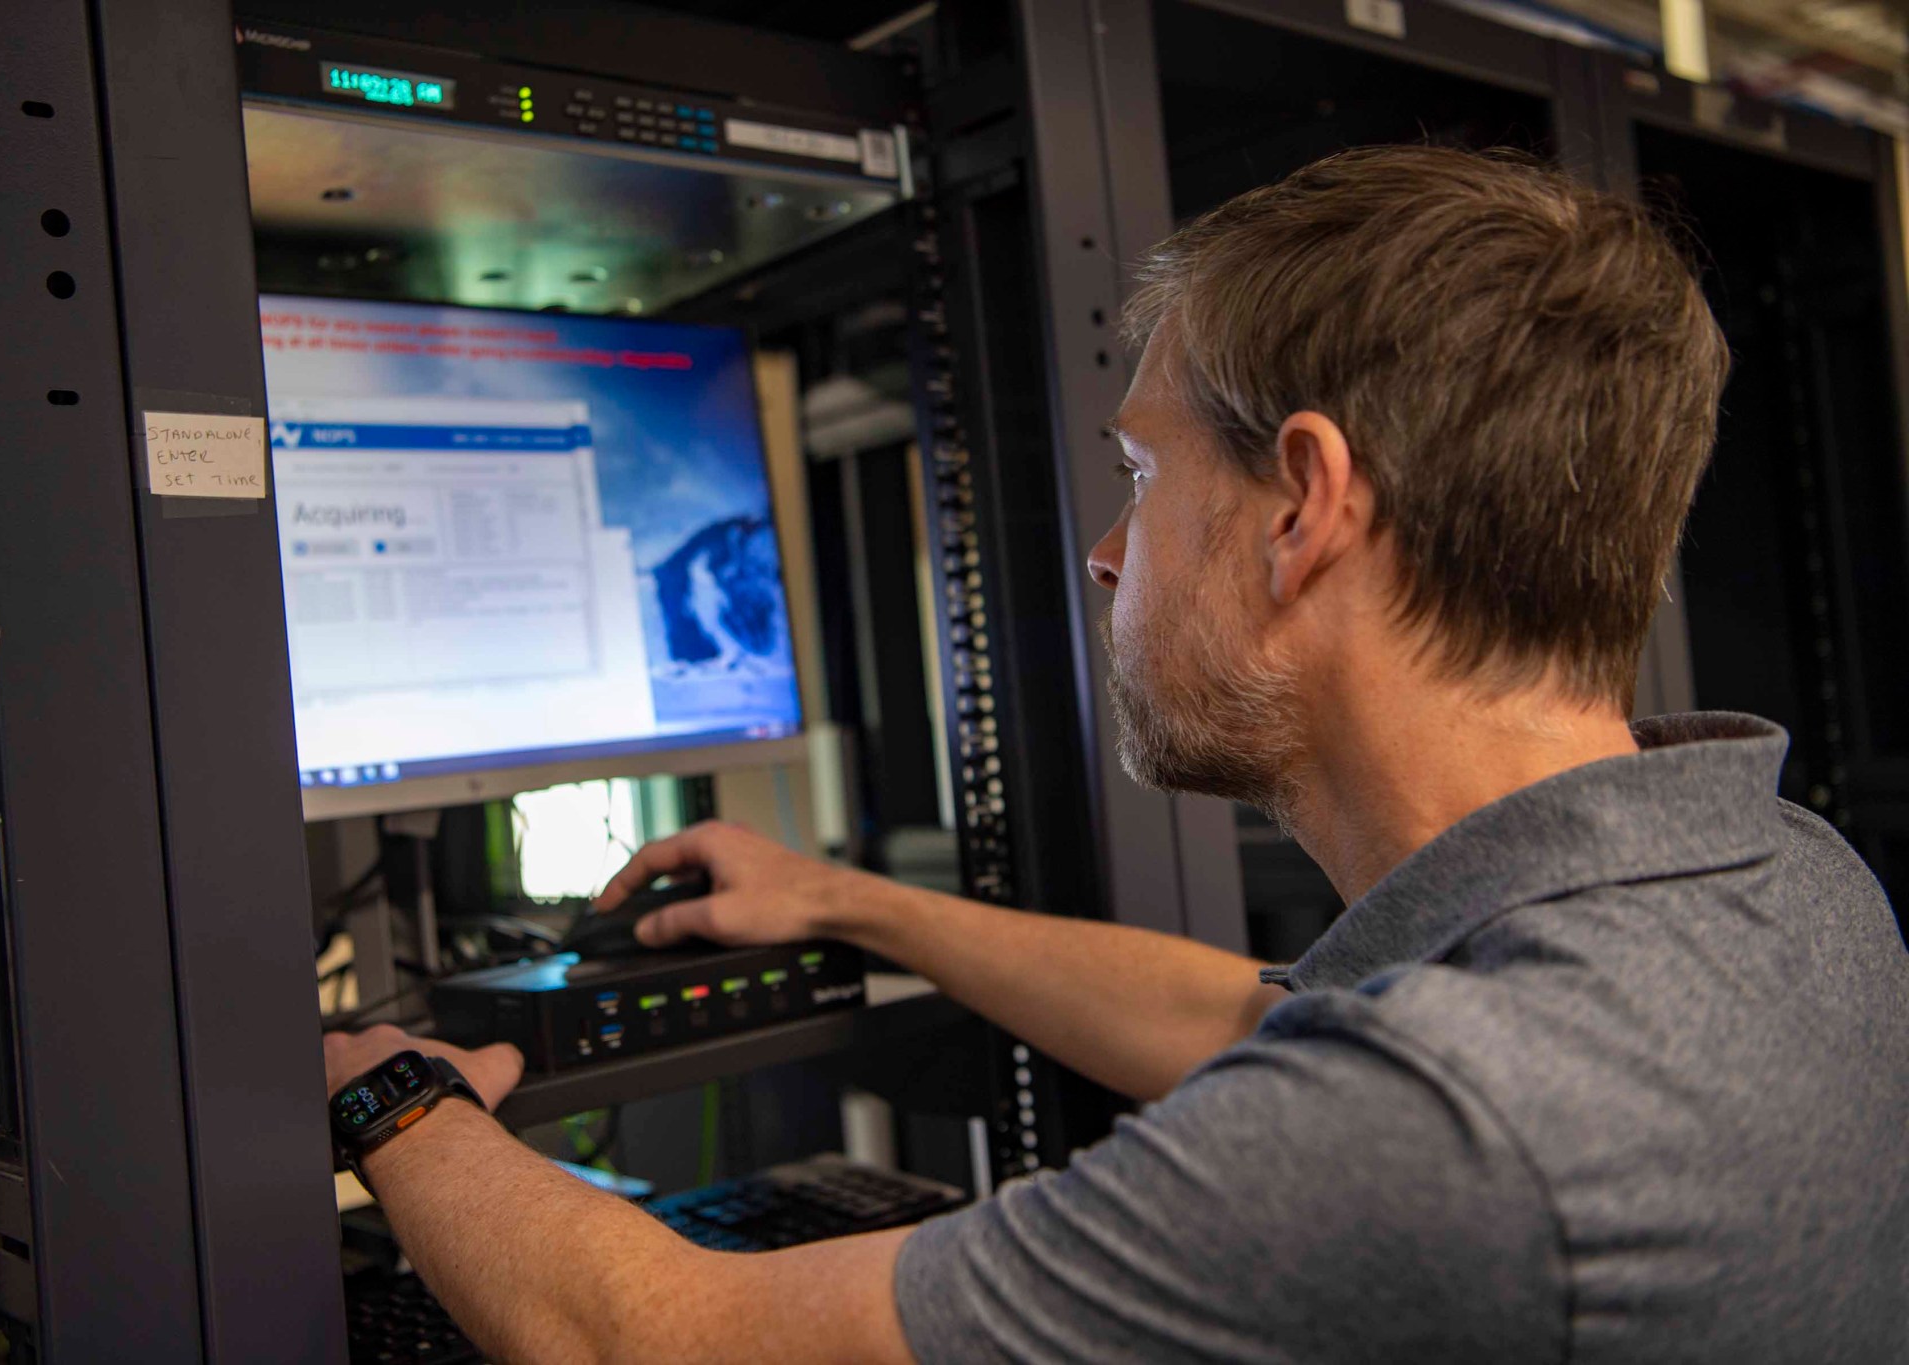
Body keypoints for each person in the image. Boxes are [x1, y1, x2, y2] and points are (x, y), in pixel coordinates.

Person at [322, 145, 1909, 1364]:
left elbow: (633, 1337)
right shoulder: (1788, 885)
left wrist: (396, 1095)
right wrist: (858, 904)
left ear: (1303, 504)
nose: (1103, 549)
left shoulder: (1448, 1128)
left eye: (1145, 470)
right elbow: (1260, 1026)